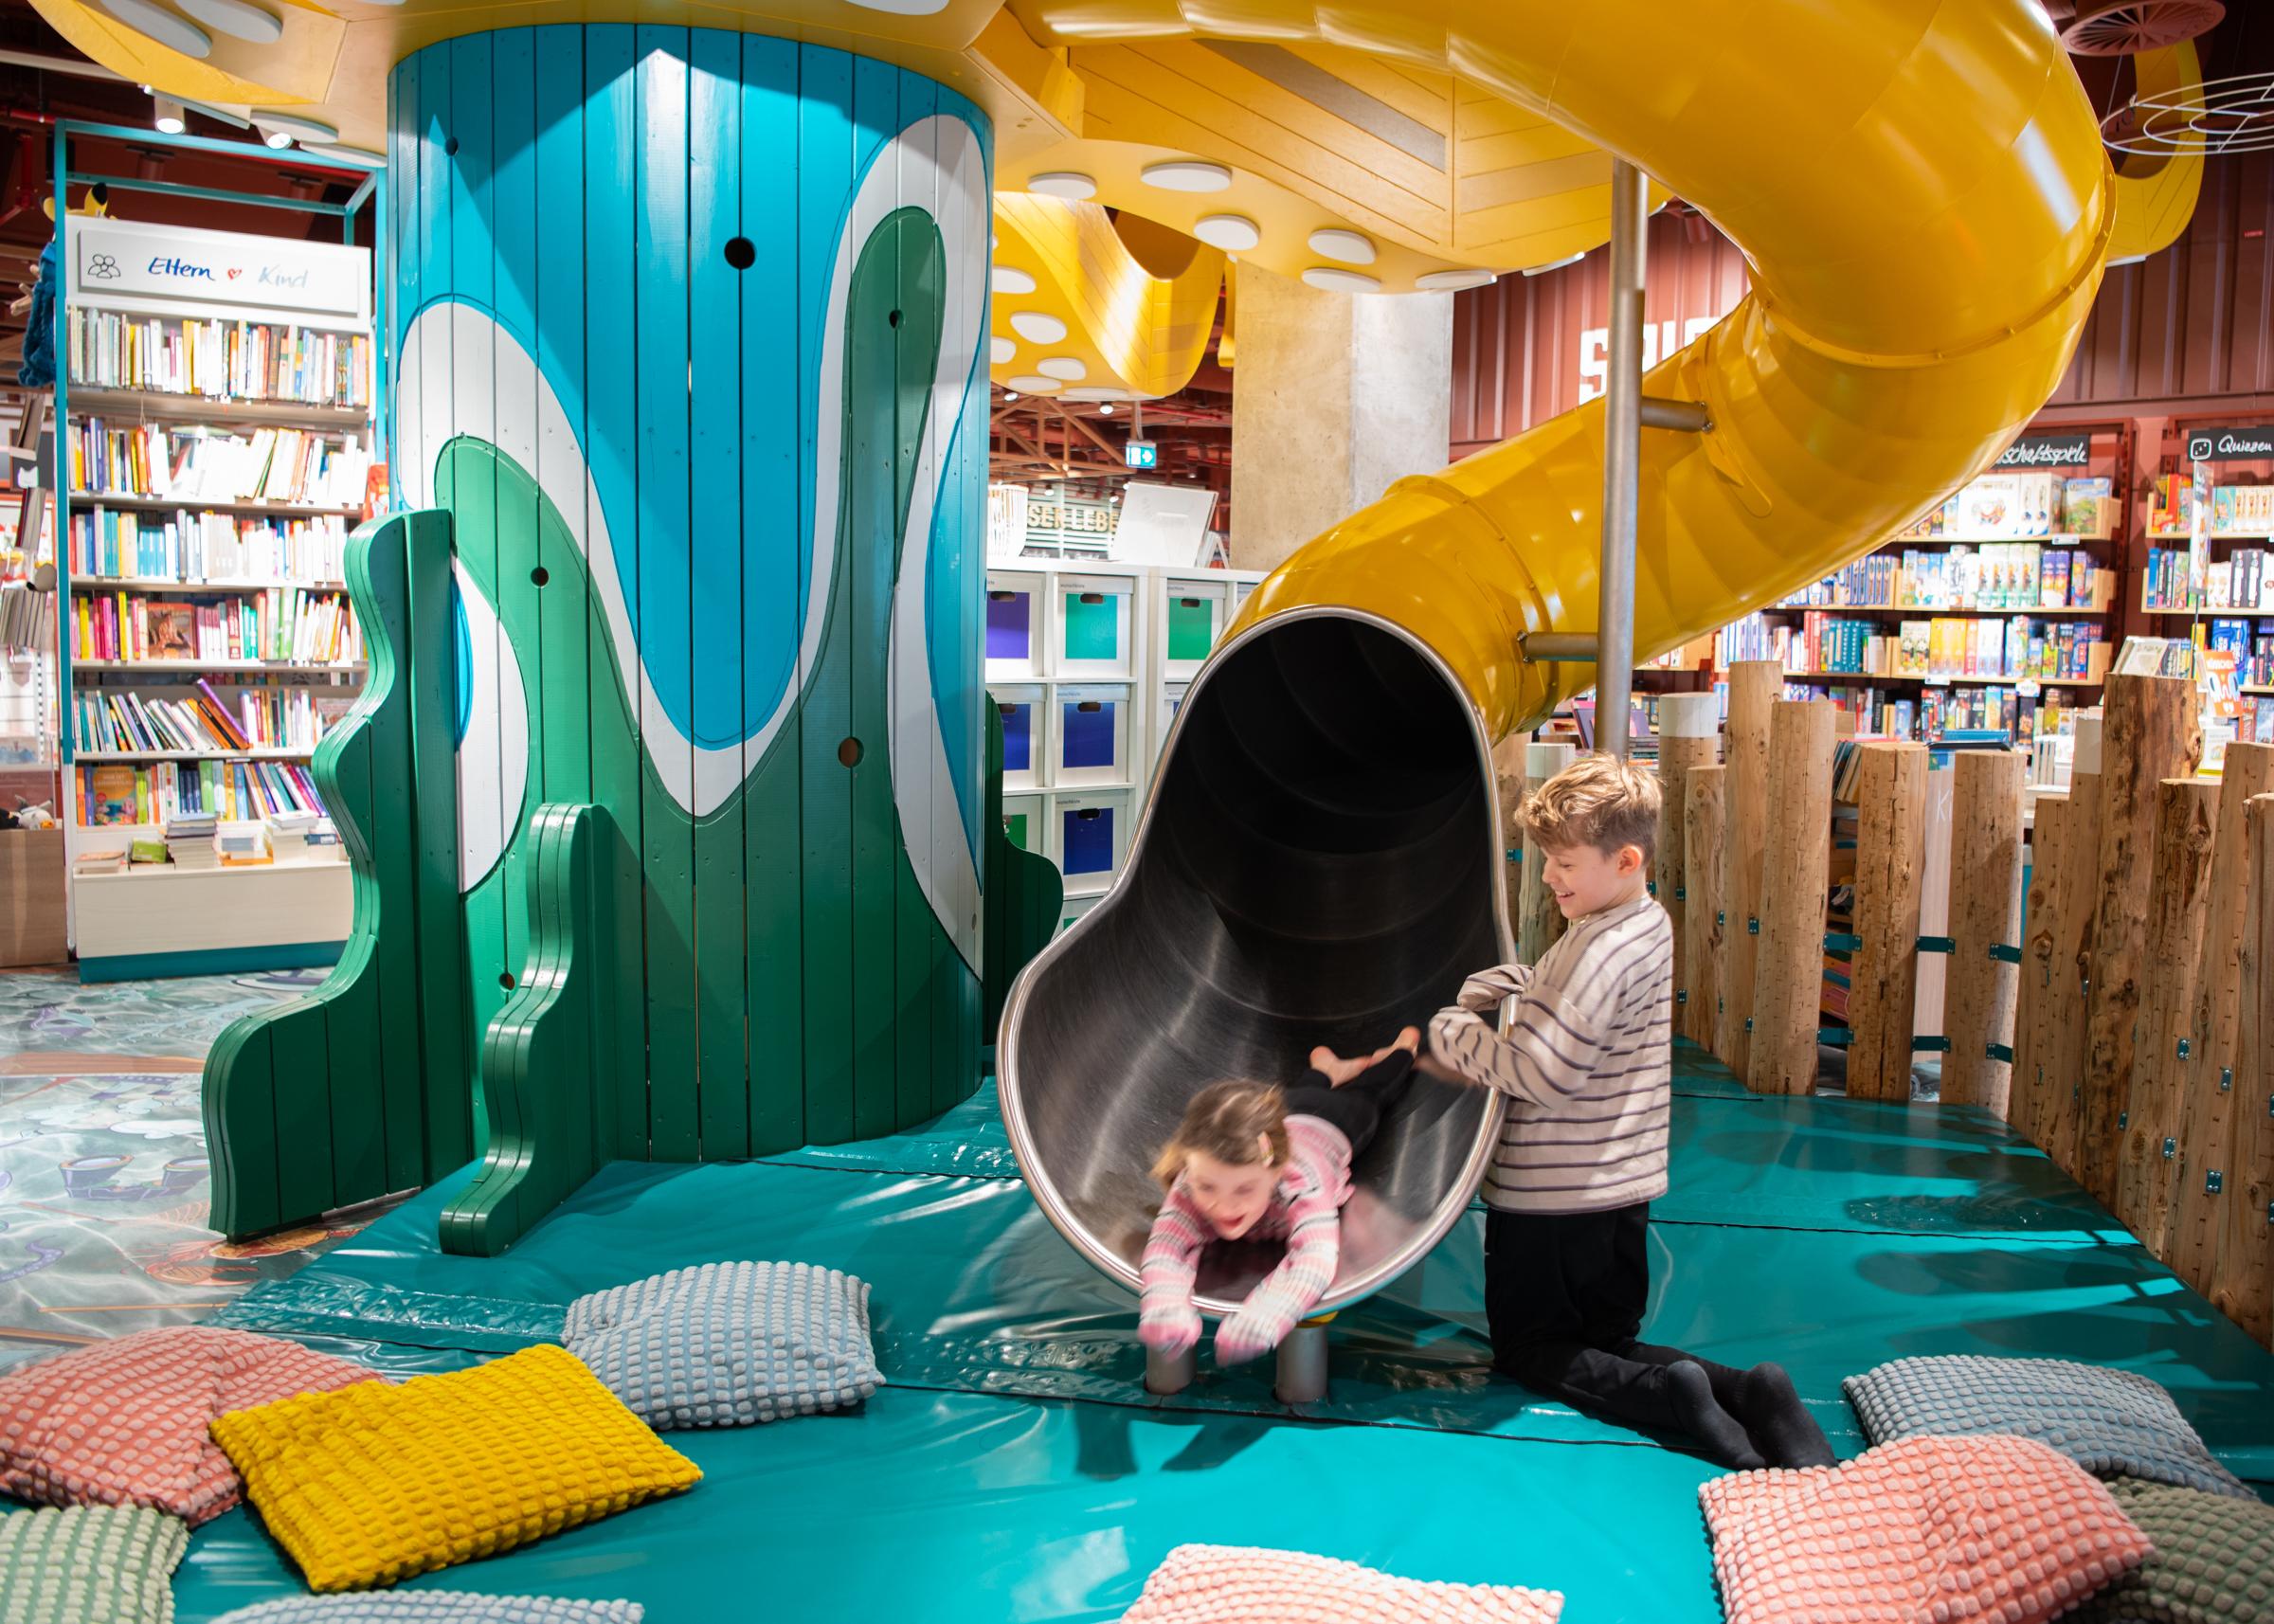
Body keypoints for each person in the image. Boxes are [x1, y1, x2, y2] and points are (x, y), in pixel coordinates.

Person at [1423, 751, 1832, 1470]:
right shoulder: (1645, 923)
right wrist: (1529, 978)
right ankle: (1750, 1391)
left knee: (1533, 1349)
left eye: (1564, 863)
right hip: (1621, 1192)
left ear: (1625, 859)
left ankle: (1673, 1397)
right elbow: (1593, 1002)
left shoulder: (1593, 954)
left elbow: (1541, 1073)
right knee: (1607, 1341)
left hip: (1552, 1201)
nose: (1548, 875)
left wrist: (1459, 1034)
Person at [1139, 1028, 1419, 1367]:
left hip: (1333, 1123)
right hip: (1285, 1114)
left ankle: (1402, 1049)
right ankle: (1326, 1068)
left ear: (1276, 1172)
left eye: (1244, 1190)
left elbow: (1315, 1257)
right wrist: (1164, 1305)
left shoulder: (1300, 1183)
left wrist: (1270, 1310)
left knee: (1371, 1092)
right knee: (1294, 1097)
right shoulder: (1193, 1178)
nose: (1223, 1206)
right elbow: (1166, 1246)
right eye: (1207, 1188)